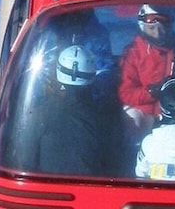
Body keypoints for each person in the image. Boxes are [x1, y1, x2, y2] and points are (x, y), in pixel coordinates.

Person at [34, 43, 125, 176]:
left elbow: (25, 158)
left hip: (45, 190)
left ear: (59, 71)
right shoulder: (105, 116)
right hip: (94, 190)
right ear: (93, 74)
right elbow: (116, 162)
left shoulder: (40, 113)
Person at [118, 4, 175, 142]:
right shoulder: (133, 53)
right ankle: (135, 156)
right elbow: (126, 93)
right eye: (152, 28)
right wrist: (152, 92)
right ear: (142, 26)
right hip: (143, 111)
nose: (157, 33)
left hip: (174, 110)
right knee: (133, 120)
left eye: (162, 28)